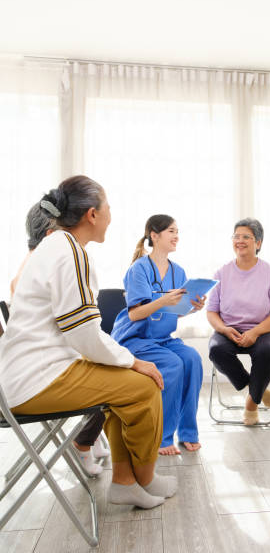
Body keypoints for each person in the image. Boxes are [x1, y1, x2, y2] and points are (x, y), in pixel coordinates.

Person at [0, 175, 176, 509]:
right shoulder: (70, 253)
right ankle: (145, 476)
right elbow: (82, 333)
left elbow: (79, 331)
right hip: (36, 380)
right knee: (143, 386)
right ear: (91, 215)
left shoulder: (56, 246)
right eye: (108, 207)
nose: (111, 214)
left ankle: (126, 482)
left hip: (25, 377)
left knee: (123, 390)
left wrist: (124, 360)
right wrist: (134, 360)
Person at [10, 201, 109, 476]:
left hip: (45, 360)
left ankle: (91, 437)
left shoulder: (34, 262)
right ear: (51, 234)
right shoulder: (36, 266)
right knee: (115, 374)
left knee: (112, 361)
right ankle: (84, 442)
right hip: (42, 369)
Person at [111, 214, 204, 456]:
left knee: (192, 359)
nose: (176, 236)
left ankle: (188, 432)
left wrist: (192, 307)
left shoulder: (179, 271)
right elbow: (135, 314)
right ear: (154, 235)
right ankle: (162, 437)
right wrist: (162, 299)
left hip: (163, 340)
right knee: (173, 364)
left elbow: (172, 313)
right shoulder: (139, 269)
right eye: (171, 231)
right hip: (135, 339)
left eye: (177, 231)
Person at [207, 218, 270, 425]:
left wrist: (255, 332)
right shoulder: (221, 273)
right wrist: (224, 330)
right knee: (216, 350)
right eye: (236, 236)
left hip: (263, 329)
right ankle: (255, 390)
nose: (240, 241)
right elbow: (211, 312)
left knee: (268, 352)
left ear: (258, 243)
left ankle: (251, 404)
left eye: (246, 237)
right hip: (228, 329)